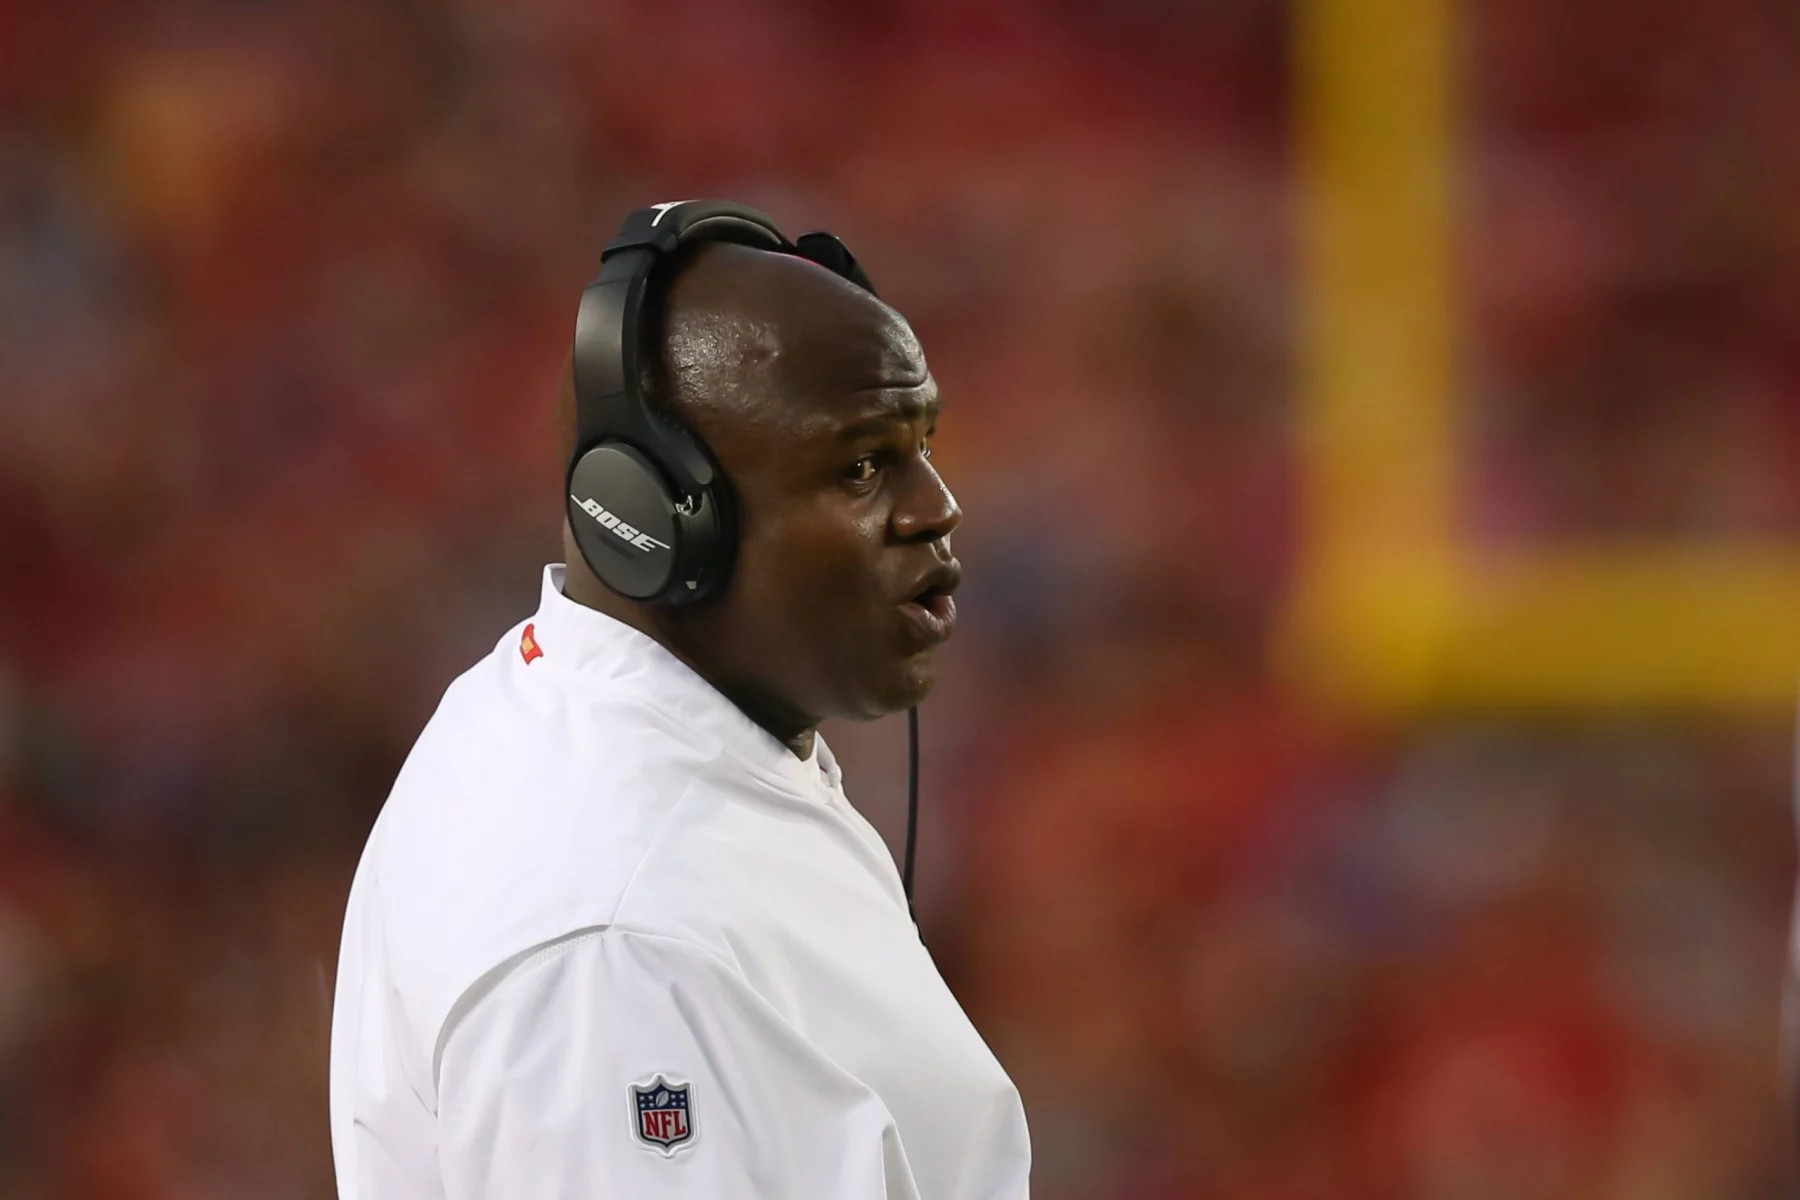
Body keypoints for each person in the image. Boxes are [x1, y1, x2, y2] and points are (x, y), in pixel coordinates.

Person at [328, 202, 1031, 1199]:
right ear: (655, 519)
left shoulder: (583, 712)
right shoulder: (621, 943)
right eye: (864, 464)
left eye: (924, 445)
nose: (936, 507)